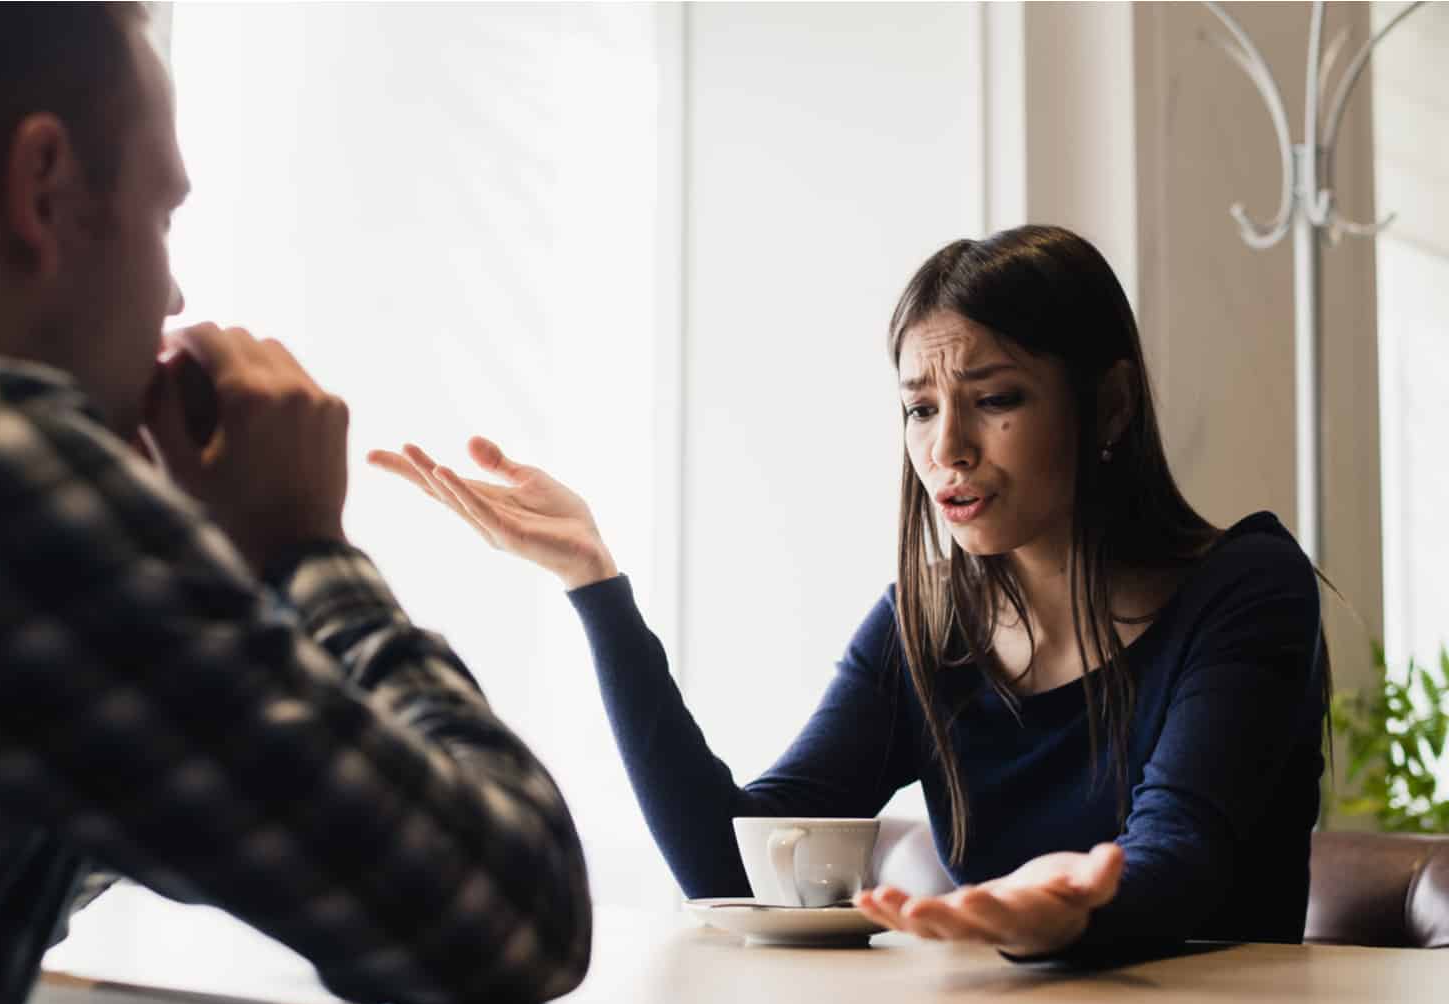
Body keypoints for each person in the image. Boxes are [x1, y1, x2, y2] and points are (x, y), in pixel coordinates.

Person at [0, 6, 590, 1004]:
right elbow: (515, 909)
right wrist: (301, 553)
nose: (177, 291)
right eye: (164, 215)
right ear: (42, 186)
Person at [370, 224, 1329, 962]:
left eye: (995, 399)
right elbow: (733, 860)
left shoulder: (1244, 590)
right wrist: (596, 587)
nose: (945, 447)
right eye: (919, 407)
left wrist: (1068, 908)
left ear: (1109, 405)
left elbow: (1180, 857)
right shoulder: (926, 626)